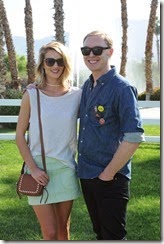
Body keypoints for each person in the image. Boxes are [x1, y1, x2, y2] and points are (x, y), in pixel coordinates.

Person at [77, 30, 145, 240]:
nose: (91, 54)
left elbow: (134, 136)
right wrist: (38, 87)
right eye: (86, 50)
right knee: (101, 233)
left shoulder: (122, 88)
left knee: (113, 236)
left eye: (97, 49)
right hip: (87, 174)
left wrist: (108, 173)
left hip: (111, 177)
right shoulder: (87, 86)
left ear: (110, 52)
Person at [16, 41, 82, 240]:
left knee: (63, 230)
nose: (55, 65)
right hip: (38, 170)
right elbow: (19, 136)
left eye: (59, 60)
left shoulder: (77, 95)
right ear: (42, 64)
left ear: (65, 64)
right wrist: (33, 169)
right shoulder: (31, 94)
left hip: (66, 169)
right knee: (50, 232)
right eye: (50, 61)